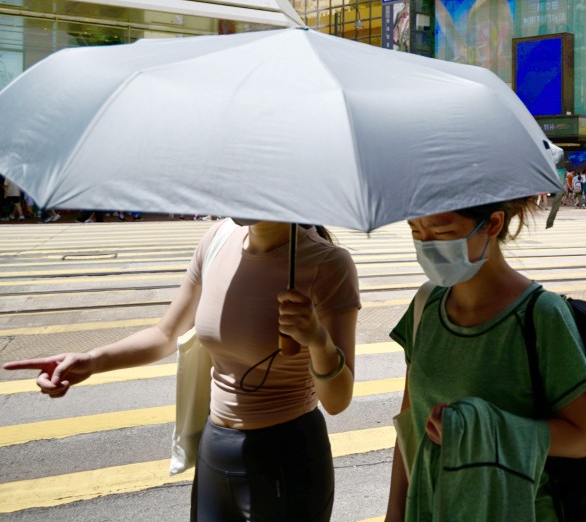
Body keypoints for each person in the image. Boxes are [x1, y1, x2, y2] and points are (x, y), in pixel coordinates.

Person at [4, 219, 361, 521]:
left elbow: (337, 399)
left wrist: (317, 339)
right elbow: (166, 333)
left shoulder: (328, 265)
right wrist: (93, 361)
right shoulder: (218, 239)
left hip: (287, 456)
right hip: (215, 448)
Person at [384, 199, 586, 521]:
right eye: (416, 231)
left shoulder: (541, 316)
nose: (426, 247)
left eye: (442, 232)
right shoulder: (424, 306)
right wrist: (395, 513)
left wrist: (479, 430)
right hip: (429, 509)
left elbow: (582, 438)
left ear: (493, 224)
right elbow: (409, 422)